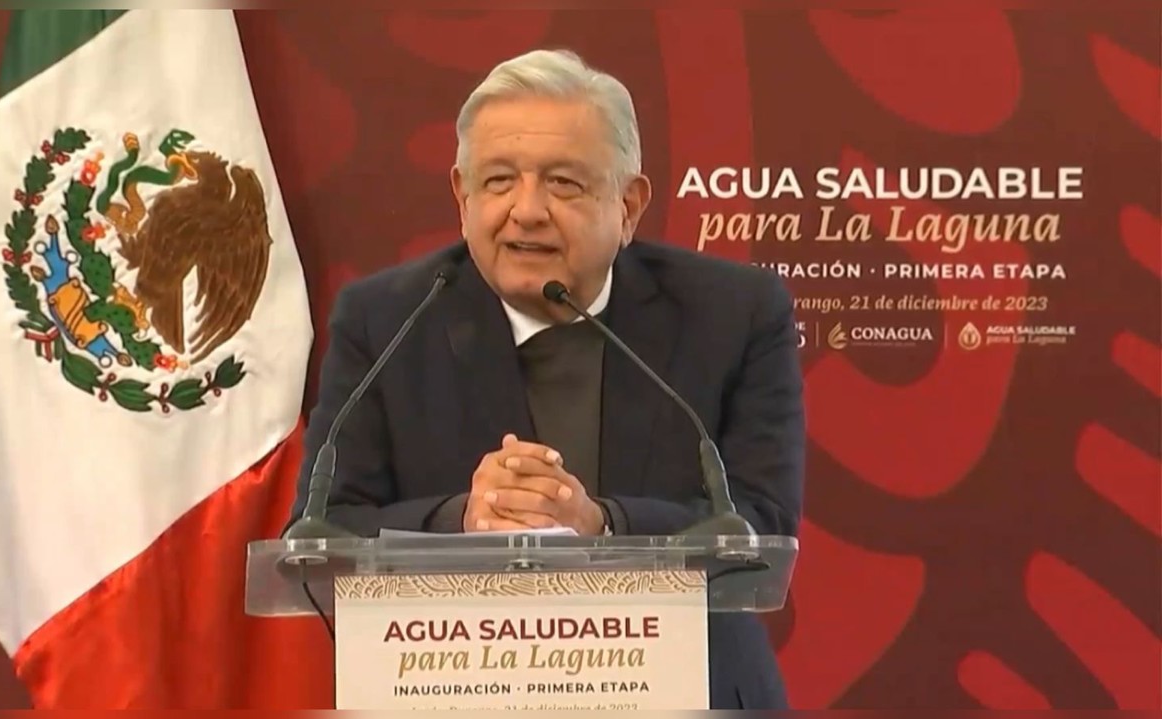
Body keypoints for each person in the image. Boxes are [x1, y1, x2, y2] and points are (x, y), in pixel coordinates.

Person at [286, 48, 805, 710]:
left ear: (630, 205)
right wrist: (463, 519)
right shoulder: (385, 318)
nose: (526, 211)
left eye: (563, 183)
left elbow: (760, 526)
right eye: (499, 181)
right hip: (453, 693)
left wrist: (604, 524)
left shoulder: (732, 314)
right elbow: (322, 530)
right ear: (461, 195)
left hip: (686, 693)